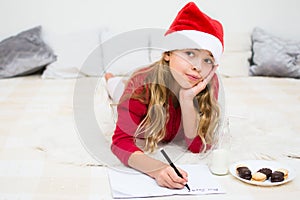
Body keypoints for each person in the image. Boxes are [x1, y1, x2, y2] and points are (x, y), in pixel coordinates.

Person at [108, 2, 224, 189]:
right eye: (190, 53)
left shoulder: (208, 84)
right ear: (168, 53)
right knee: (116, 90)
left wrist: (187, 101)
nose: (198, 67)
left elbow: (196, 147)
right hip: (130, 88)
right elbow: (120, 142)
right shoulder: (140, 84)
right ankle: (110, 79)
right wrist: (155, 168)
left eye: (207, 60)